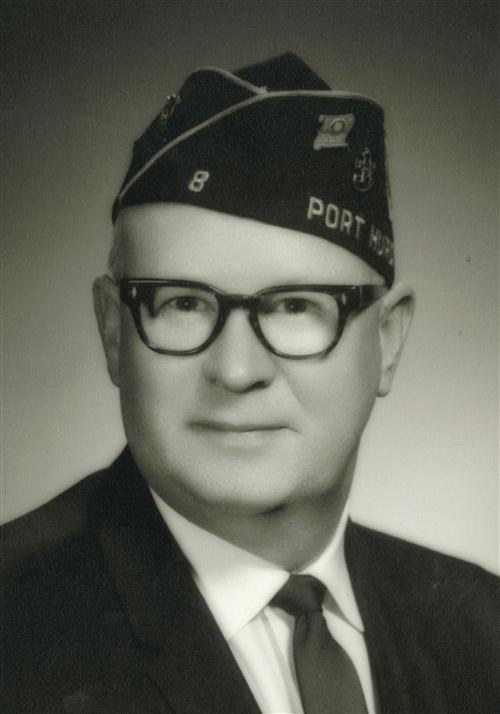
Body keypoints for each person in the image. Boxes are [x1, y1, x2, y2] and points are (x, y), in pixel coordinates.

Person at [1, 53, 498, 714]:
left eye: (294, 306)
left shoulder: (481, 630)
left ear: (387, 341)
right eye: (183, 303)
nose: (236, 371)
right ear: (114, 332)